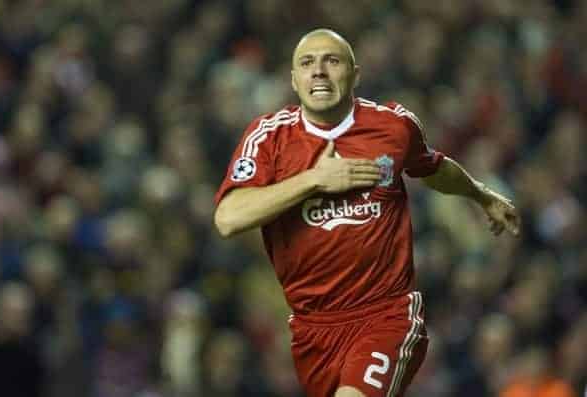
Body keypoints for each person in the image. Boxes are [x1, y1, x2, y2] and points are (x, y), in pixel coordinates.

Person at [213, 28, 520, 397]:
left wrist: (481, 194)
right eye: (307, 63)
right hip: (313, 329)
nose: (319, 71)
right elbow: (228, 218)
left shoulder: (393, 126)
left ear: (355, 74)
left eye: (332, 60)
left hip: (386, 314)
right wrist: (314, 180)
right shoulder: (268, 138)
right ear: (294, 80)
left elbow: (434, 168)